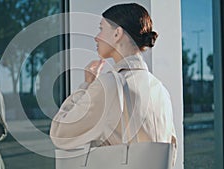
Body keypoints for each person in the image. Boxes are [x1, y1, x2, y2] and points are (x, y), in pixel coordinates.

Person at [50, 3, 177, 165]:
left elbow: (60, 134)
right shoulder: (160, 90)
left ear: (117, 33)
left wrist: (86, 85)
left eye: (101, 28)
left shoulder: (110, 86)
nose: (97, 37)